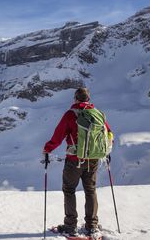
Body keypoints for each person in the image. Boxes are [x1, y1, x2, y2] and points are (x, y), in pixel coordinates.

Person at [43, 87, 112, 237]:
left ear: (75, 99)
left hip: (74, 160)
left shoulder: (70, 114)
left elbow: (58, 135)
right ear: (88, 99)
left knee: (69, 190)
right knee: (90, 190)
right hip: (93, 159)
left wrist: (47, 149)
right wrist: (107, 152)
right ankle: (92, 225)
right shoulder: (98, 114)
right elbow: (108, 133)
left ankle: (70, 226)